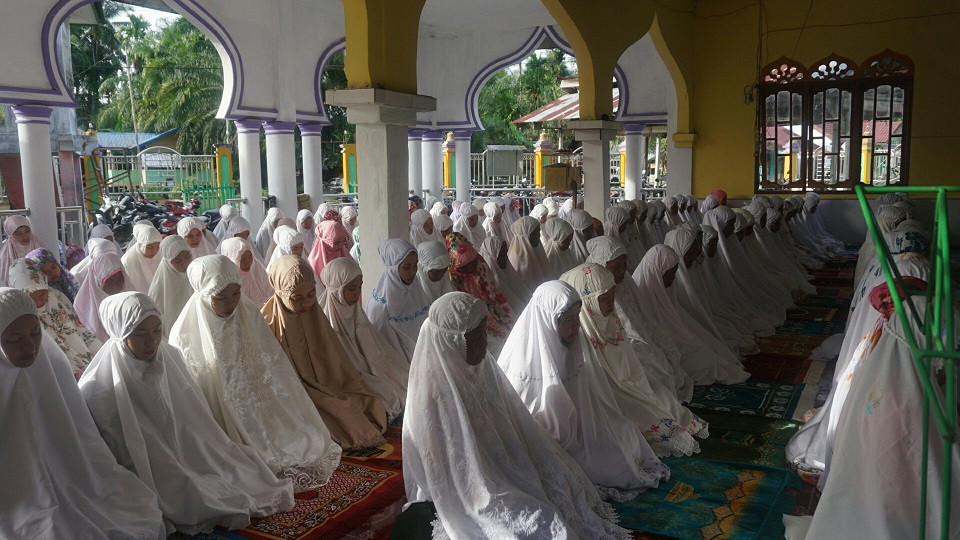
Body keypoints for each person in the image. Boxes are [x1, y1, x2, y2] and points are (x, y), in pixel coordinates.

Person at [400, 292, 630, 540]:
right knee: (531, 518)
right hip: (474, 481)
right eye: (474, 337)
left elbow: (511, 421)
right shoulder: (434, 394)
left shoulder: (481, 366)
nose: (484, 343)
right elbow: (453, 469)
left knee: (562, 480)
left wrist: (516, 461)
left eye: (482, 333)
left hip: (500, 460)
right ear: (451, 342)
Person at [78, 292, 295, 535]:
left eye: (157, 330)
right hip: (144, 458)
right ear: (119, 333)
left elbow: (194, 414)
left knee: (234, 467)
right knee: (185, 489)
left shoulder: (169, 355)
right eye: (139, 334)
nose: (151, 341)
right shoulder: (99, 384)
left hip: (186, 443)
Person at [0, 287, 166, 539]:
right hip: (13, 494)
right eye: (14, 339)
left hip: (66, 475)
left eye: (35, 332)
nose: (30, 346)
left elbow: (77, 432)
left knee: (108, 504)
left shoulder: (50, 364)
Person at [170, 255, 342, 490]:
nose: (231, 303)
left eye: (236, 294)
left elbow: (271, 363)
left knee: (301, 438)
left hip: (260, 397)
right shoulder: (185, 332)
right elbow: (195, 388)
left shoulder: (247, 311)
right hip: (220, 408)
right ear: (203, 294)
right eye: (221, 298)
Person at [498, 281, 670, 501]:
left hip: (578, 426)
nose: (575, 327)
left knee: (627, 433)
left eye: (576, 318)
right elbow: (529, 417)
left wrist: (586, 428)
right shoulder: (522, 359)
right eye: (567, 321)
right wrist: (569, 429)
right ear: (548, 321)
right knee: (601, 465)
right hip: (547, 438)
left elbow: (585, 398)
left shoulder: (571, 344)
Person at [562, 263, 708, 457]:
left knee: (663, 398)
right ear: (587, 303)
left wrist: (635, 385)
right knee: (638, 417)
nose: (611, 302)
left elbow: (628, 363)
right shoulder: (576, 334)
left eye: (613, 295)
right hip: (604, 394)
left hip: (627, 383)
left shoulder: (609, 320)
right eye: (605, 298)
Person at [263, 256, 388, 449]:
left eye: (311, 295)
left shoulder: (316, 314)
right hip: (295, 390)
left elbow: (336, 360)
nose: (306, 303)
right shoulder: (267, 321)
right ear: (281, 293)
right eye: (296, 298)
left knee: (367, 401)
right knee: (334, 411)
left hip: (328, 382)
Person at [586, 237, 694, 402]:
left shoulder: (625, 281)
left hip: (636, 335)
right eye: (615, 266)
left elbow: (641, 317)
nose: (622, 270)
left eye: (624, 263)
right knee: (651, 371)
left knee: (666, 361)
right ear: (602, 265)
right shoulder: (594, 288)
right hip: (614, 343)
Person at [633, 244, 749, 385]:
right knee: (706, 361)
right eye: (669, 274)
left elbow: (680, 321)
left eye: (674, 273)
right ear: (656, 272)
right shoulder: (639, 293)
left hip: (677, 339)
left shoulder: (664, 287)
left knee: (712, 347)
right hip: (663, 347)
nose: (672, 279)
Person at [320, 257, 409, 422]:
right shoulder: (325, 319)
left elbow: (375, 347)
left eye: (359, 287)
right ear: (336, 289)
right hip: (348, 376)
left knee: (400, 381)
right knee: (381, 394)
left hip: (368, 366)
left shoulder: (355, 310)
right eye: (351, 288)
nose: (357, 294)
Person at [8, 258, 100, 380]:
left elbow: (79, 328)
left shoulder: (57, 297)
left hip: (82, 353)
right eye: (32, 299)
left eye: (42, 294)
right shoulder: (18, 315)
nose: (39, 302)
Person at [365, 239, 432, 363]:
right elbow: (381, 344)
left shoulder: (415, 287)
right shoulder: (380, 306)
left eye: (415, 265)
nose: (413, 271)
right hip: (395, 360)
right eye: (406, 267)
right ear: (393, 269)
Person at [447, 233, 513, 354]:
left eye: (473, 263)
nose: (470, 268)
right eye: (464, 267)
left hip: (491, 305)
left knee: (511, 324)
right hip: (473, 317)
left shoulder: (480, 264)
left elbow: (493, 291)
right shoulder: (453, 278)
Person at [74, 252, 130, 341]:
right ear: (97, 280)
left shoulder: (129, 300)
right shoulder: (81, 307)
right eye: (109, 280)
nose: (115, 284)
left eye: (119, 278)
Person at [148, 235, 195, 335]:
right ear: (168, 262)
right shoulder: (159, 288)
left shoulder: (197, 273)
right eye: (177, 261)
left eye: (188, 256)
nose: (185, 263)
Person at [478, 235, 528, 316]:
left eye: (506, 254)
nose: (505, 259)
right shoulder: (489, 285)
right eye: (500, 255)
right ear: (491, 257)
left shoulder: (509, 271)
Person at [220, 237, 274, 307]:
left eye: (250, 257)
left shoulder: (256, 265)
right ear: (232, 259)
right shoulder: (227, 276)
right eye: (243, 261)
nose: (248, 263)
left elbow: (269, 290)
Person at [0, 215, 47, 285]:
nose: (25, 236)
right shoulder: (6, 254)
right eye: (18, 234)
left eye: (27, 231)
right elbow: (5, 278)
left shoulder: (39, 245)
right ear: (11, 235)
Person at [121, 223, 163, 293]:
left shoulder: (160, 255)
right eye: (150, 247)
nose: (155, 251)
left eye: (158, 247)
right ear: (141, 245)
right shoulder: (128, 262)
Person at [508, 215, 549, 285]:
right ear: (525, 237)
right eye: (535, 234)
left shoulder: (537, 249)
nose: (538, 236)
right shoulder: (517, 260)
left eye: (538, 232)